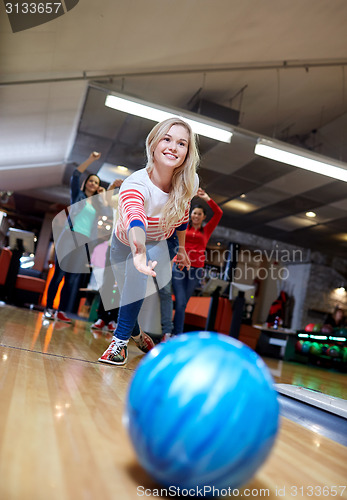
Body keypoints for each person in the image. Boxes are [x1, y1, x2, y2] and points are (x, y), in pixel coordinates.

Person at [98, 117, 199, 365]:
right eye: (167, 139)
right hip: (125, 242)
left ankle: (119, 344)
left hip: (162, 242)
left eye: (181, 143)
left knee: (135, 280)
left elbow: (183, 214)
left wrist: (183, 248)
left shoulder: (190, 181)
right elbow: (135, 218)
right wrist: (139, 249)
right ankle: (135, 333)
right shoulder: (135, 183)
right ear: (153, 143)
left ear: (187, 152)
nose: (173, 147)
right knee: (126, 296)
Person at [44, 152, 106, 323]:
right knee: (59, 274)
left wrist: (103, 194)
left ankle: (61, 311)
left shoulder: (96, 204)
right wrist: (91, 159)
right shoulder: (77, 196)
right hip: (69, 238)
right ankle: (49, 308)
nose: (94, 184)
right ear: (87, 183)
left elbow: (108, 211)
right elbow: (75, 175)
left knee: (71, 280)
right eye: (92, 181)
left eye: (97, 183)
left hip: (83, 244)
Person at [171, 188, 223, 335]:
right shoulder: (183, 228)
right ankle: (175, 333)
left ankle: (174, 333)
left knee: (183, 304)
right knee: (180, 302)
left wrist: (207, 198)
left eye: (200, 214)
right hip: (179, 266)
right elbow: (178, 208)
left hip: (196, 269)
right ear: (191, 215)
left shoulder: (206, 231)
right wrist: (188, 198)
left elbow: (219, 213)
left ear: (203, 217)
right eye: (194, 213)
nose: (196, 216)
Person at [91, 179, 123, 333]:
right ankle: (102, 318)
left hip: (128, 250)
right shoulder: (120, 199)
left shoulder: (139, 204)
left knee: (120, 287)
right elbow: (107, 200)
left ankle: (113, 320)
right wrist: (112, 186)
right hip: (113, 246)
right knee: (107, 284)